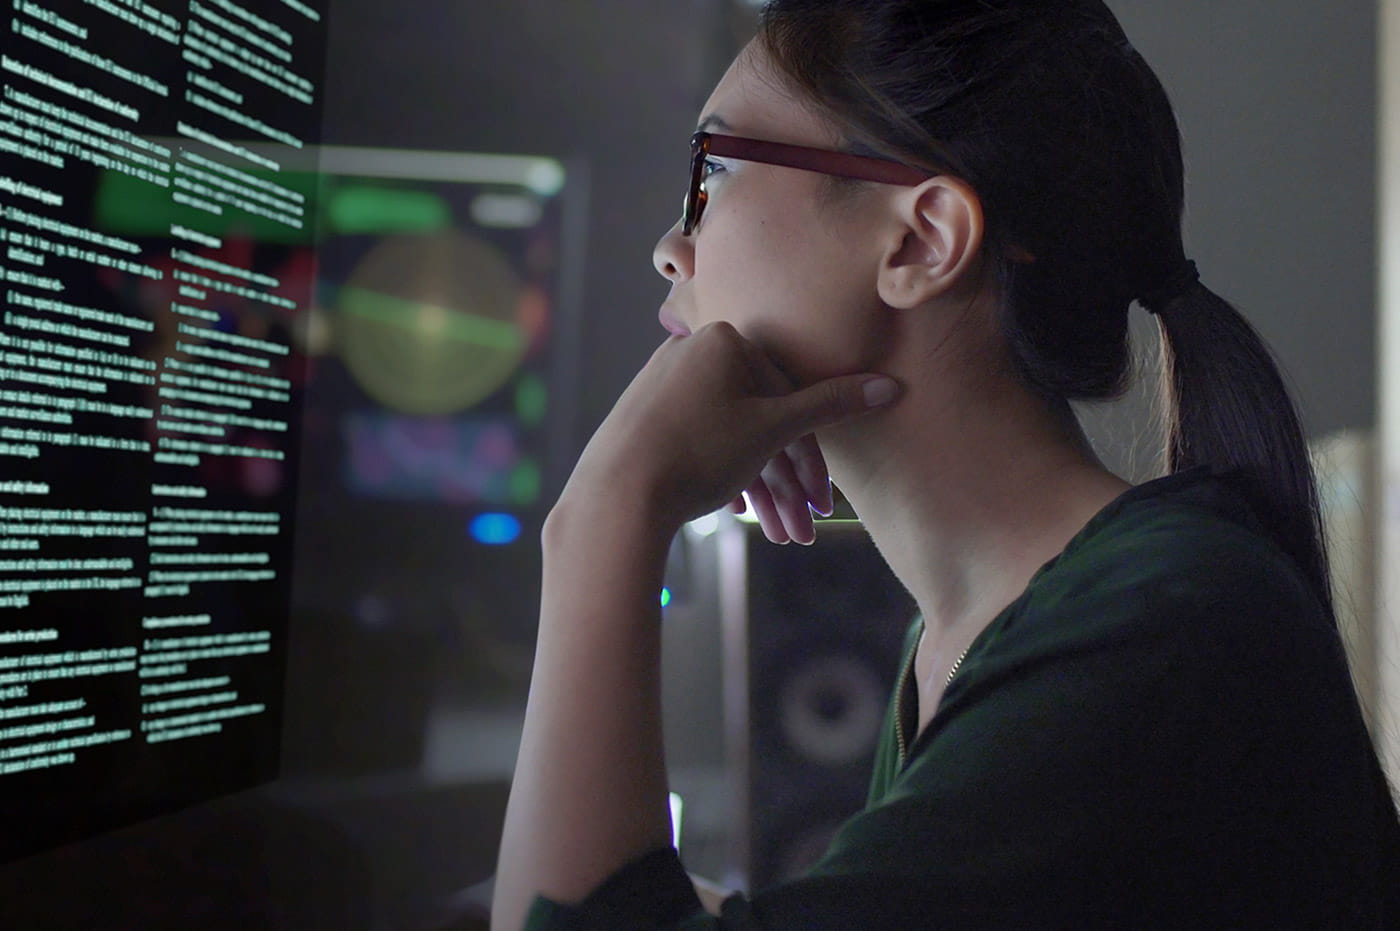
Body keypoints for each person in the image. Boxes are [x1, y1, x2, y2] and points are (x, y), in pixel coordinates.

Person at [491, 1, 1400, 927]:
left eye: (714, 170)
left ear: (922, 240)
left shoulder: (1163, 623)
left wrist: (607, 510)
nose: (667, 246)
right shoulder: (969, 638)